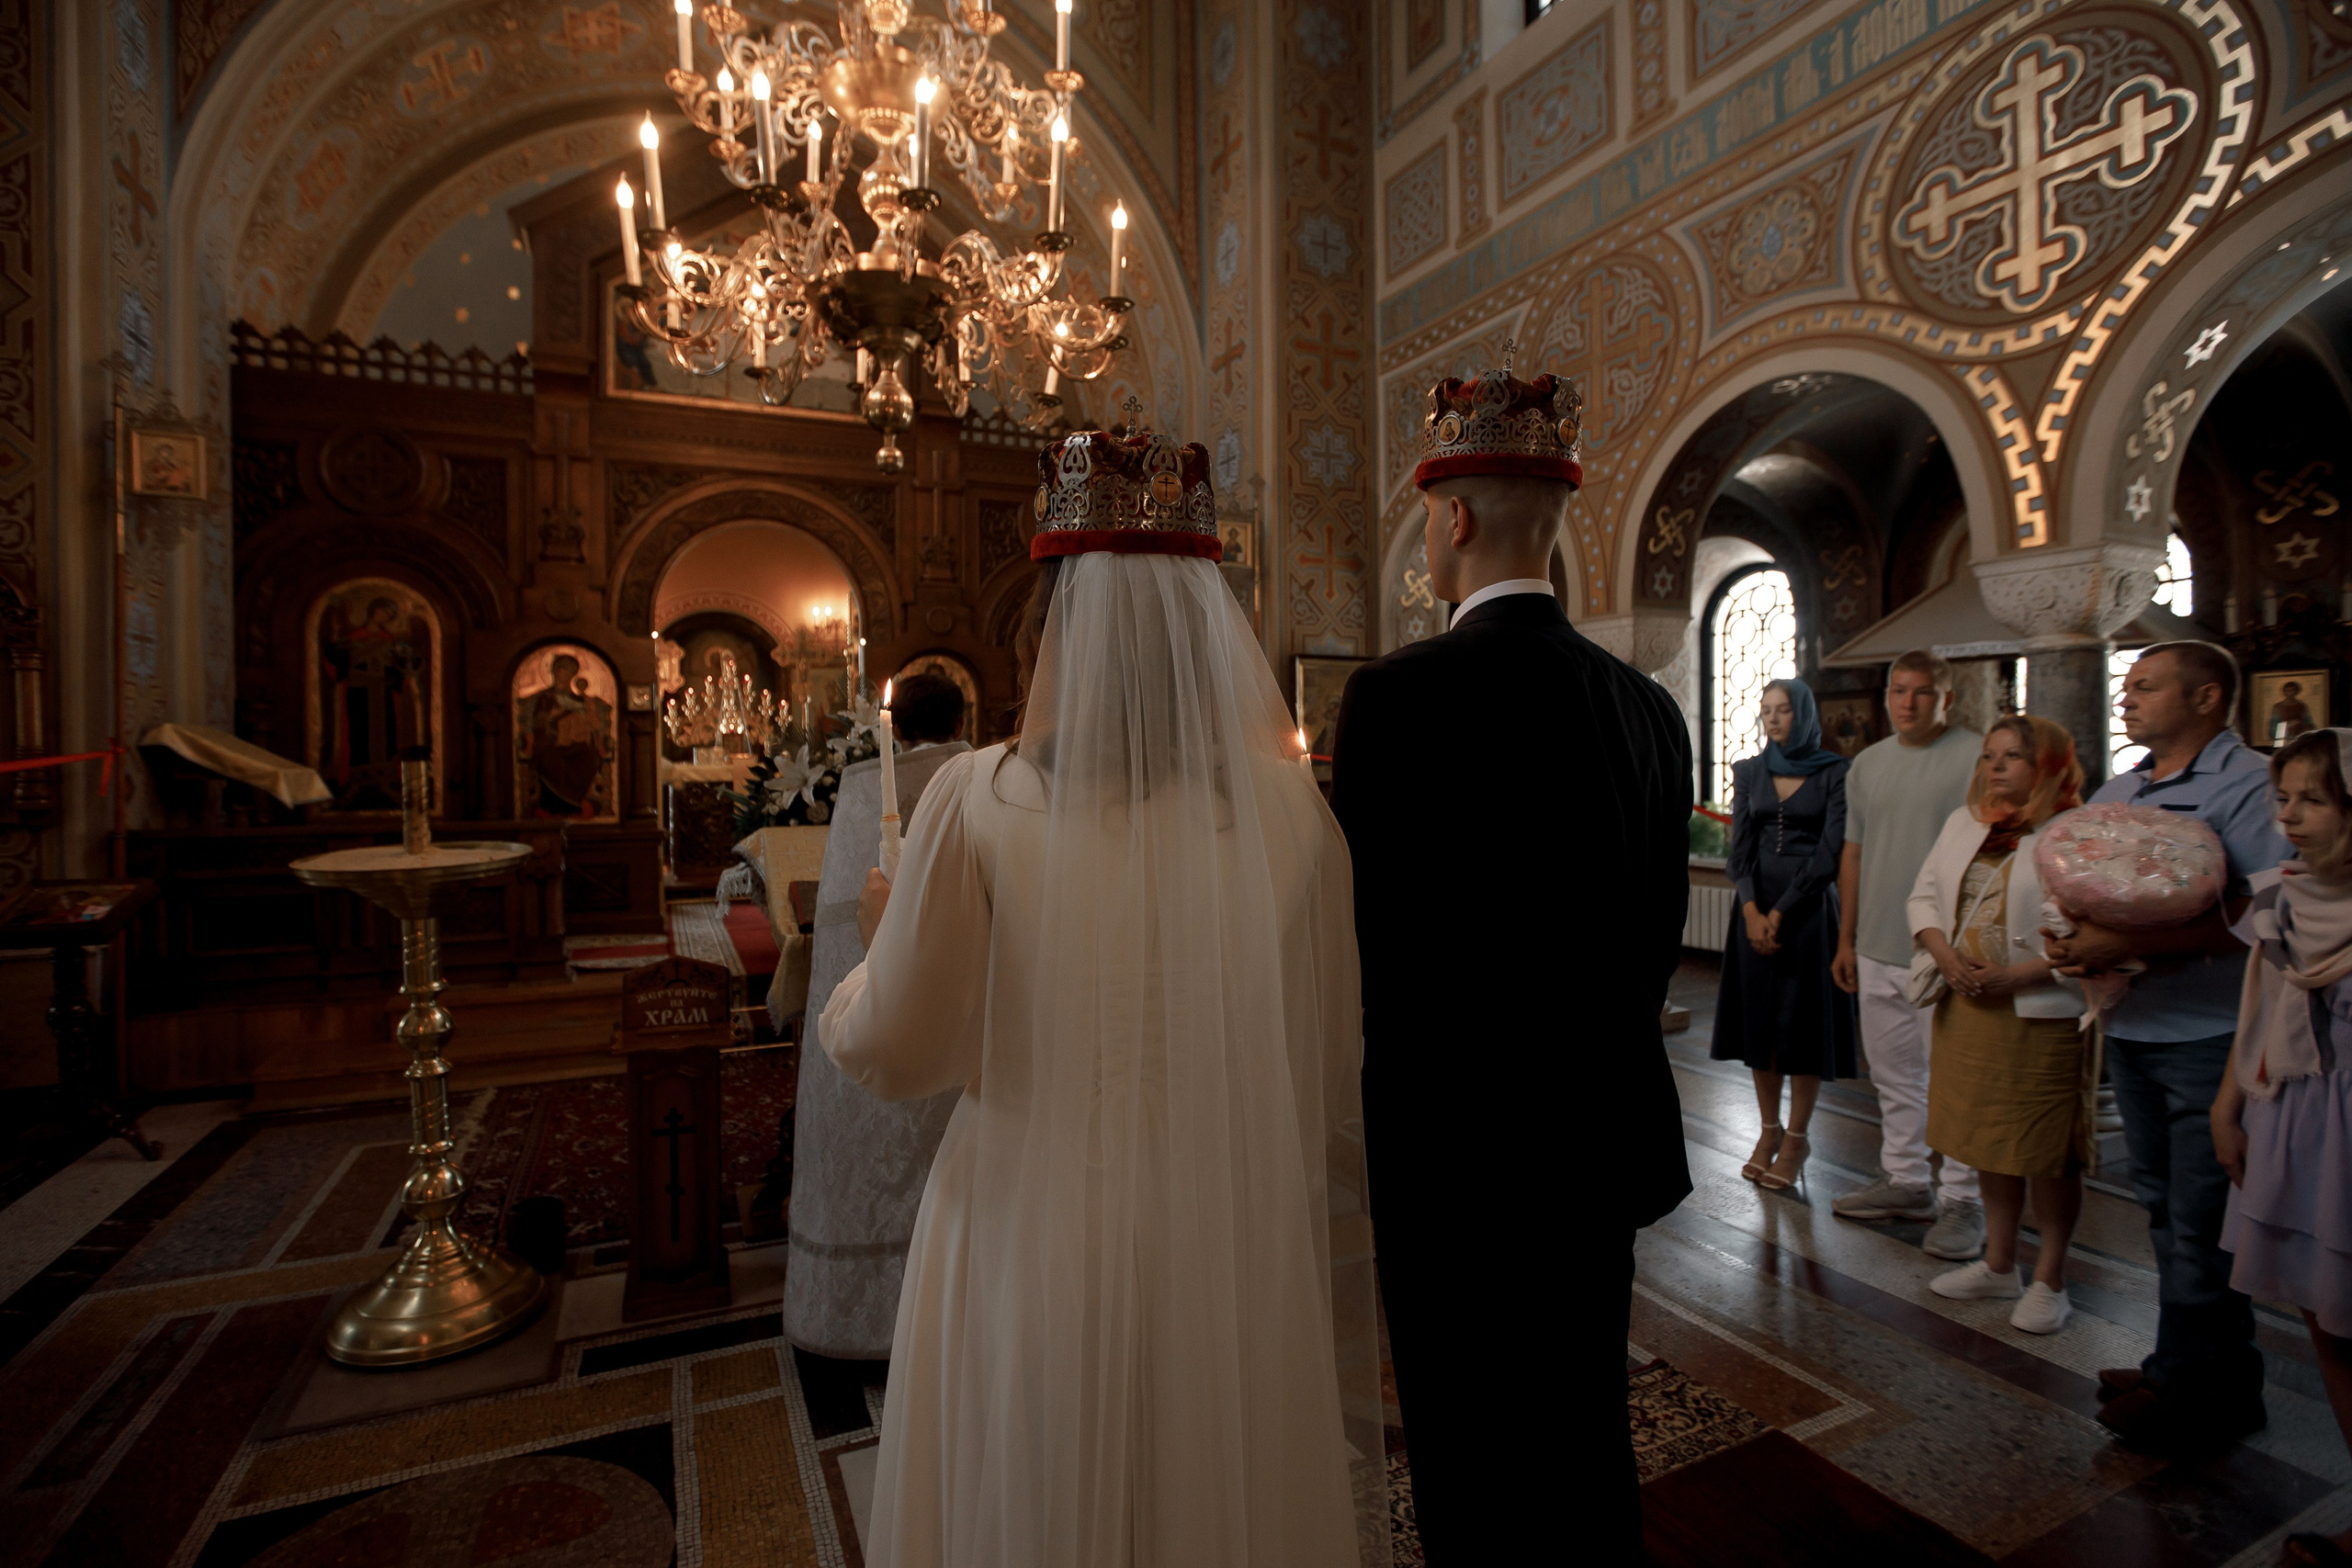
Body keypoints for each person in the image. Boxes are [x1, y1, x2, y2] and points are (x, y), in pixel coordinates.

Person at [820, 425, 1382, 1566]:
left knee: (1034, 1490)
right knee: (1213, 1489)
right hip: (1223, 1214)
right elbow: (1323, 1048)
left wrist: (878, 951)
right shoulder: (1287, 812)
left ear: (1049, 628)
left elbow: (902, 1048)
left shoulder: (978, 798)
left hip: (1026, 1212)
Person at [1332, 359, 1691, 1562]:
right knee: (1584, 1413)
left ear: (1452, 518)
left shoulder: (1398, 698)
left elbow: (1372, 944)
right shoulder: (1647, 707)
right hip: (1603, 1125)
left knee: (1470, 1432)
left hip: (1458, 1146)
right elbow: (1656, 929)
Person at [2045, 641, 2289, 1453]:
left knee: (2200, 1219)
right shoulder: (2122, 789)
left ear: (2208, 696)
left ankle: (2191, 1389)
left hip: (2209, 1032)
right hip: (2134, 1023)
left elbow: (2261, 916)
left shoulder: (2249, 784)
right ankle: (2201, 1369)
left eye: (2146, 686)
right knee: (2162, 1207)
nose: (2127, 699)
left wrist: (2125, 942)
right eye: (2127, 687)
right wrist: (2071, 939)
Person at [782, 672, 973, 1361]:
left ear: (897, 729)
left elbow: (840, 927)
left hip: (876, 1014)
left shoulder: (865, 791)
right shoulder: (985, 783)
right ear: (962, 720)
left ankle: (867, 1315)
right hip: (962, 1018)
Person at [2211, 728, 2352, 1568]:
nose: (2290, 816)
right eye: (2284, 798)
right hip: (2300, 1114)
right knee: (2325, 1315)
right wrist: (2229, 1104)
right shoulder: (2285, 896)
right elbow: (2259, 1008)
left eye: (2315, 800)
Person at [1907, 716, 2090, 1333]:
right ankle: (1998, 1264)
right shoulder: (1966, 822)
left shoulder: (2073, 832)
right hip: (1969, 1006)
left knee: (2046, 1150)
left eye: (2013, 756)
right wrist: (1944, 955)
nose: (1996, 767)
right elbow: (1924, 897)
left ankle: (2050, 1279)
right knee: (1989, 1140)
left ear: (2048, 766)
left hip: (2041, 1014)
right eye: (1989, 756)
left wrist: (2019, 976)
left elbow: (2087, 931)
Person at [1833, 651, 1985, 1258]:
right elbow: (1854, 852)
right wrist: (1846, 938)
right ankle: (1906, 1180)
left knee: (1955, 1080)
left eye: (1923, 692)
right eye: (1899, 690)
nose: (1908, 702)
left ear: (1947, 698)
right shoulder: (1868, 763)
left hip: (1946, 950)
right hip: (1877, 943)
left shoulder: (1978, 756)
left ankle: (1964, 1199)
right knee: (1893, 1075)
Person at [1713, 676, 1855, 1194]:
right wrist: (1753, 910)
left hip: (1809, 910)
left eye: (1783, 710)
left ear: (1804, 714)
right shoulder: (1749, 770)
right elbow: (1740, 851)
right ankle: (1768, 1130)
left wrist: (1783, 911)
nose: (1772, 718)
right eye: (1766, 710)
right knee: (1761, 1024)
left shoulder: (1835, 771)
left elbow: (1831, 850)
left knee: (1803, 1026)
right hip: (1753, 906)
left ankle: (1797, 1139)